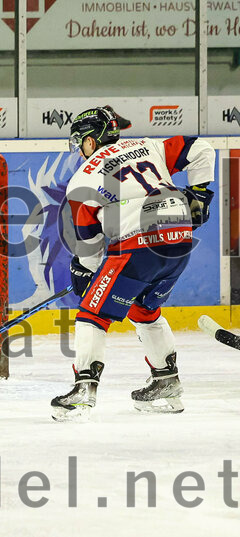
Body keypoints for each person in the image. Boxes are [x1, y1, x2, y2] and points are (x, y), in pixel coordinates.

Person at [53, 106, 214, 421]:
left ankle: (84, 388)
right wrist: (199, 194)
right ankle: (166, 381)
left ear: (91, 140)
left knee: (91, 312)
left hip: (137, 247)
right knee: (144, 308)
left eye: (81, 140)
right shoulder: (148, 146)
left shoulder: (83, 178)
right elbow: (200, 148)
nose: (80, 148)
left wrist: (84, 270)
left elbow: (88, 244)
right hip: (180, 241)